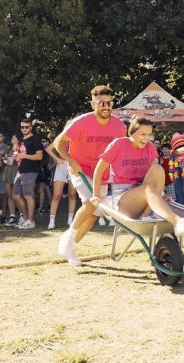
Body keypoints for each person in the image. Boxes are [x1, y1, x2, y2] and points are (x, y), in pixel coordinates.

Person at [86, 116, 184, 236]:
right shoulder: (119, 144)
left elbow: (154, 174)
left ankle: (146, 215)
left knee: (157, 168)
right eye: (142, 134)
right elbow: (99, 169)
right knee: (148, 188)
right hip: (123, 196)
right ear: (132, 133)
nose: (146, 139)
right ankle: (177, 222)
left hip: (144, 192)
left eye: (149, 135)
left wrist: (162, 194)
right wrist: (95, 195)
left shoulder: (149, 147)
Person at [55, 85, 126, 265]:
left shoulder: (119, 126)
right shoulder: (81, 122)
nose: (106, 106)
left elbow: (120, 151)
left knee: (93, 215)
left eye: (109, 103)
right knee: (89, 202)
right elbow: (58, 143)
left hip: (100, 173)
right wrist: (70, 160)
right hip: (81, 169)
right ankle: (68, 237)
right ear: (93, 104)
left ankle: (70, 247)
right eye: (101, 103)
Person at [13, 118, 44, 229]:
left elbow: (39, 156)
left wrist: (24, 156)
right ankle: (26, 219)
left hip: (30, 171)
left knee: (28, 195)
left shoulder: (35, 139)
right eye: (22, 127)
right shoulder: (21, 140)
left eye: (27, 127)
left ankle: (30, 221)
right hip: (20, 170)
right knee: (16, 195)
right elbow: (19, 155)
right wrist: (16, 152)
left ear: (31, 127)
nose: (24, 129)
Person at [46, 139, 77, 229]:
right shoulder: (62, 138)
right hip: (62, 165)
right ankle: (51, 221)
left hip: (73, 164)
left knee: (72, 194)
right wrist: (56, 159)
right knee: (56, 195)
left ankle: (70, 220)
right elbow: (48, 149)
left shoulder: (78, 138)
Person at [2, 135, 20, 225]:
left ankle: (22, 215)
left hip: (17, 170)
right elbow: (5, 160)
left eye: (14, 138)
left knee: (18, 194)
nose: (12, 140)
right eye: (12, 138)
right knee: (9, 195)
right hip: (9, 171)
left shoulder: (22, 148)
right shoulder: (9, 149)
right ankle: (12, 215)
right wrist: (6, 161)